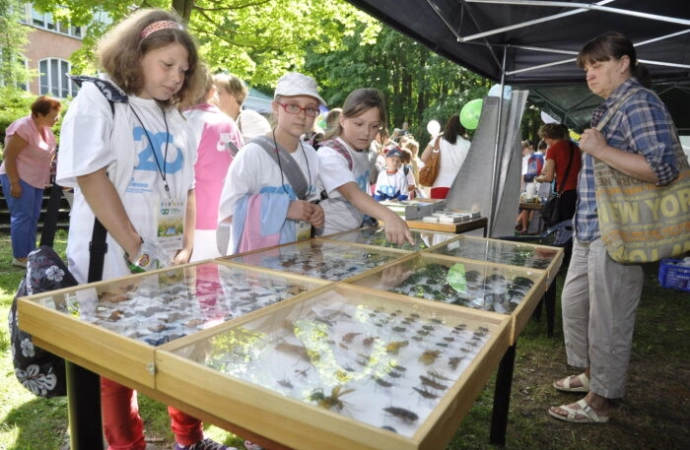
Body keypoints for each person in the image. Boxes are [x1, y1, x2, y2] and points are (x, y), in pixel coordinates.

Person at [56, 9, 232, 450]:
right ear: (135, 55)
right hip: (113, 258)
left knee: (182, 350)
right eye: (166, 65)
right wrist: (136, 249)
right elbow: (90, 176)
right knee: (116, 368)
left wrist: (187, 246)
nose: (176, 77)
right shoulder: (98, 99)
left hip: (166, 260)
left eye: (184, 69)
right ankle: (126, 446)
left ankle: (189, 440)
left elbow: (187, 187)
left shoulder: (176, 116)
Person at [548, 32, 684, 424]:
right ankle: (594, 374)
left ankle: (601, 400)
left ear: (623, 63)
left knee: (609, 318)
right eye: (587, 67)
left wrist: (602, 149)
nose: (589, 73)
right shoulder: (611, 106)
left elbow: (663, 169)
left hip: (619, 232)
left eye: (598, 64)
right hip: (591, 228)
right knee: (576, 307)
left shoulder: (640, 102)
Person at [217, 72, 325, 254]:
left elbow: (310, 199)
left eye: (310, 108)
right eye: (292, 106)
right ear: (275, 107)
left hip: (296, 259)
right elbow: (227, 212)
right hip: (256, 264)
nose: (301, 115)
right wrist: (284, 208)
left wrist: (315, 212)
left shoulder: (311, 155)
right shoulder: (252, 154)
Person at [316, 88, 414, 245]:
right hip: (328, 244)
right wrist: (389, 216)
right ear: (342, 120)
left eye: (374, 126)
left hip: (354, 238)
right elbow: (352, 194)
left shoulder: (366, 151)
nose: (366, 132)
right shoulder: (330, 154)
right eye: (359, 124)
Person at [184, 66, 244, 262]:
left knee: (193, 281)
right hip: (228, 218)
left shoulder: (186, 121)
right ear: (212, 92)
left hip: (193, 220)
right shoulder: (229, 123)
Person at [0, 96, 61, 268]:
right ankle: (19, 257)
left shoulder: (46, 129)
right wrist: (14, 182)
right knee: (22, 217)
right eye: (53, 115)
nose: (57, 119)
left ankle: (30, 254)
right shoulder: (22, 127)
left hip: (35, 180)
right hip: (18, 177)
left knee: (32, 217)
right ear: (38, 114)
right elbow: (9, 157)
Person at [534, 123, 581, 225]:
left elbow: (549, 177)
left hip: (565, 192)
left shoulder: (552, 150)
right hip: (579, 191)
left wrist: (537, 179)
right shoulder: (575, 148)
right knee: (573, 225)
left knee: (562, 225)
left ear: (548, 137)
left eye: (544, 139)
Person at [213, 73, 271, 141]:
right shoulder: (217, 122)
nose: (213, 97)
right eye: (212, 93)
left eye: (218, 93)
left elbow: (257, 148)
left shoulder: (250, 118)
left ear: (233, 96)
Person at [421, 113, 470, 189]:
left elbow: (424, 157)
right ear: (464, 127)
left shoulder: (438, 140)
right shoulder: (468, 144)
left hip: (439, 185)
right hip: (460, 189)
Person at [515, 140, 544, 233]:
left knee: (525, 206)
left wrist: (521, 187)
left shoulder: (527, 158)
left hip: (528, 184)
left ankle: (519, 225)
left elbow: (523, 174)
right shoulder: (537, 156)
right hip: (536, 183)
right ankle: (523, 226)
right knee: (528, 206)